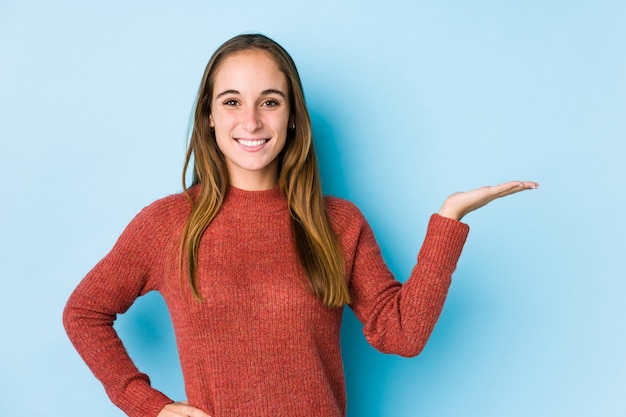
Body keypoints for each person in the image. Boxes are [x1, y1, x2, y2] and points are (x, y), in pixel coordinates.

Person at [63, 33, 538, 417]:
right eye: (231, 102)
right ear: (208, 116)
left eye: (269, 102)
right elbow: (84, 312)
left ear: (292, 117)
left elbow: (401, 334)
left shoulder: (337, 223)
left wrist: (449, 220)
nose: (250, 120)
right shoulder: (169, 224)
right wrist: (153, 408)